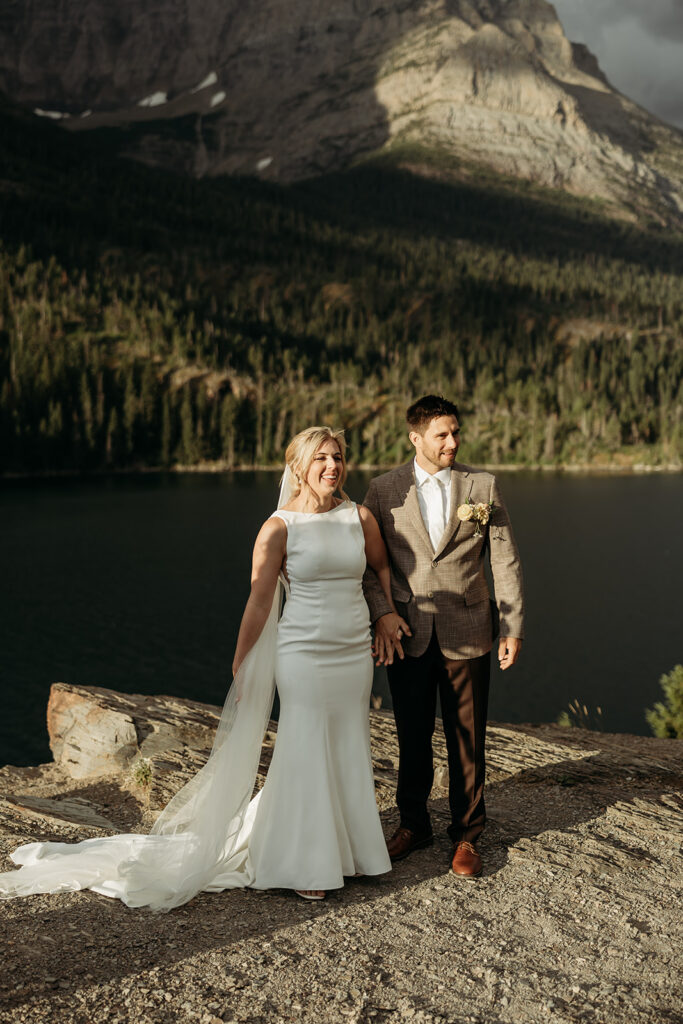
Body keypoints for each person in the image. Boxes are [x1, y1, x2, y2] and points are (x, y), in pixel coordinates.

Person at [0, 427, 403, 908]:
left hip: (353, 652)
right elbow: (258, 601)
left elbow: (379, 569)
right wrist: (244, 656)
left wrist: (386, 615)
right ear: (298, 466)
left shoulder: (358, 517)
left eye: (338, 457)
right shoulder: (278, 528)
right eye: (321, 458)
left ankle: (350, 852)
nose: (332, 467)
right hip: (303, 652)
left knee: (347, 742)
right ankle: (303, 859)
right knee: (306, 744)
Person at [362, 395, 524, 878]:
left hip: (470, 628)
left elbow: (504, 561)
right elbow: (369, 567)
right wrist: (383, 614)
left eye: (455, 432)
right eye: (442, 435)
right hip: (407, 632)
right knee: (411, 734)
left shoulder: (483, 485)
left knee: (467, 739)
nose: (452, 442)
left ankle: (468, 835)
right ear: (416, 438)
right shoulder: (382, 489)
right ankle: (413, 825)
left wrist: (511, 626)